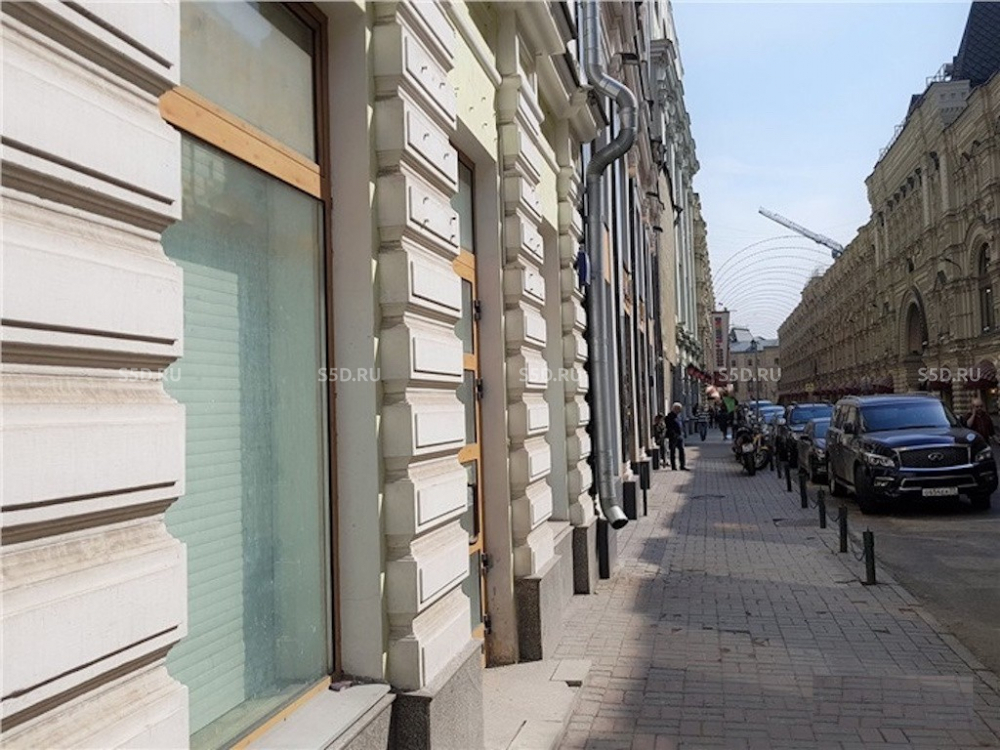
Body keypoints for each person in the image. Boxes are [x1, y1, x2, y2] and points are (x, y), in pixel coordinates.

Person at [665, 402, 688, 471]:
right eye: (679, 409)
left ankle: (682, 465)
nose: (680, 411)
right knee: (673, 451)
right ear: (675, 409)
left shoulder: (678, 416)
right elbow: (669, 426)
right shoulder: (669, 417)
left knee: (681, 450)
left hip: (679, 435)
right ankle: (673, 466)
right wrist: (673, 433)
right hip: (673, 436)